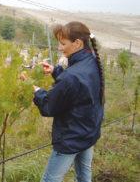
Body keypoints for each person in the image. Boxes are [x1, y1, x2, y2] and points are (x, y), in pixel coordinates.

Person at [23, 21, 104, 182]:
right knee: (83, 175)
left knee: (50, 179)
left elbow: (48, 106)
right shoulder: (92, 61)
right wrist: (55, 70)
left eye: (63, 43)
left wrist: (35, 89)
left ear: (77, 43)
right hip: (88, 131)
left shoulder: (72, 76)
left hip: (71, 137)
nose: (59, 48)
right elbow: (76, 89)